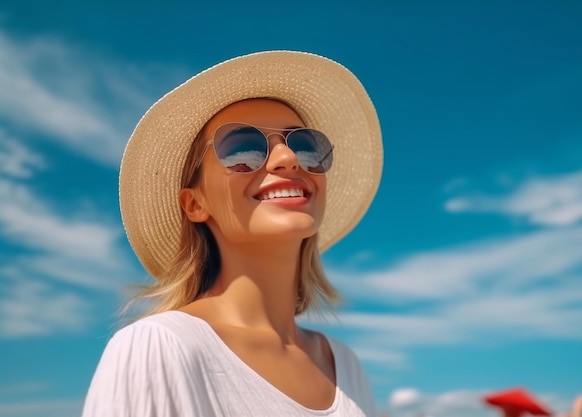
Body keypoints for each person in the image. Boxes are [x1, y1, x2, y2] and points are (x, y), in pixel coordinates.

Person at [81, 50, 383, 417]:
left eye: (305, 145)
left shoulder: (343, 366)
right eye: (242, 148)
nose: (287, 158)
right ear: (194, 204)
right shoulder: (159, 347)